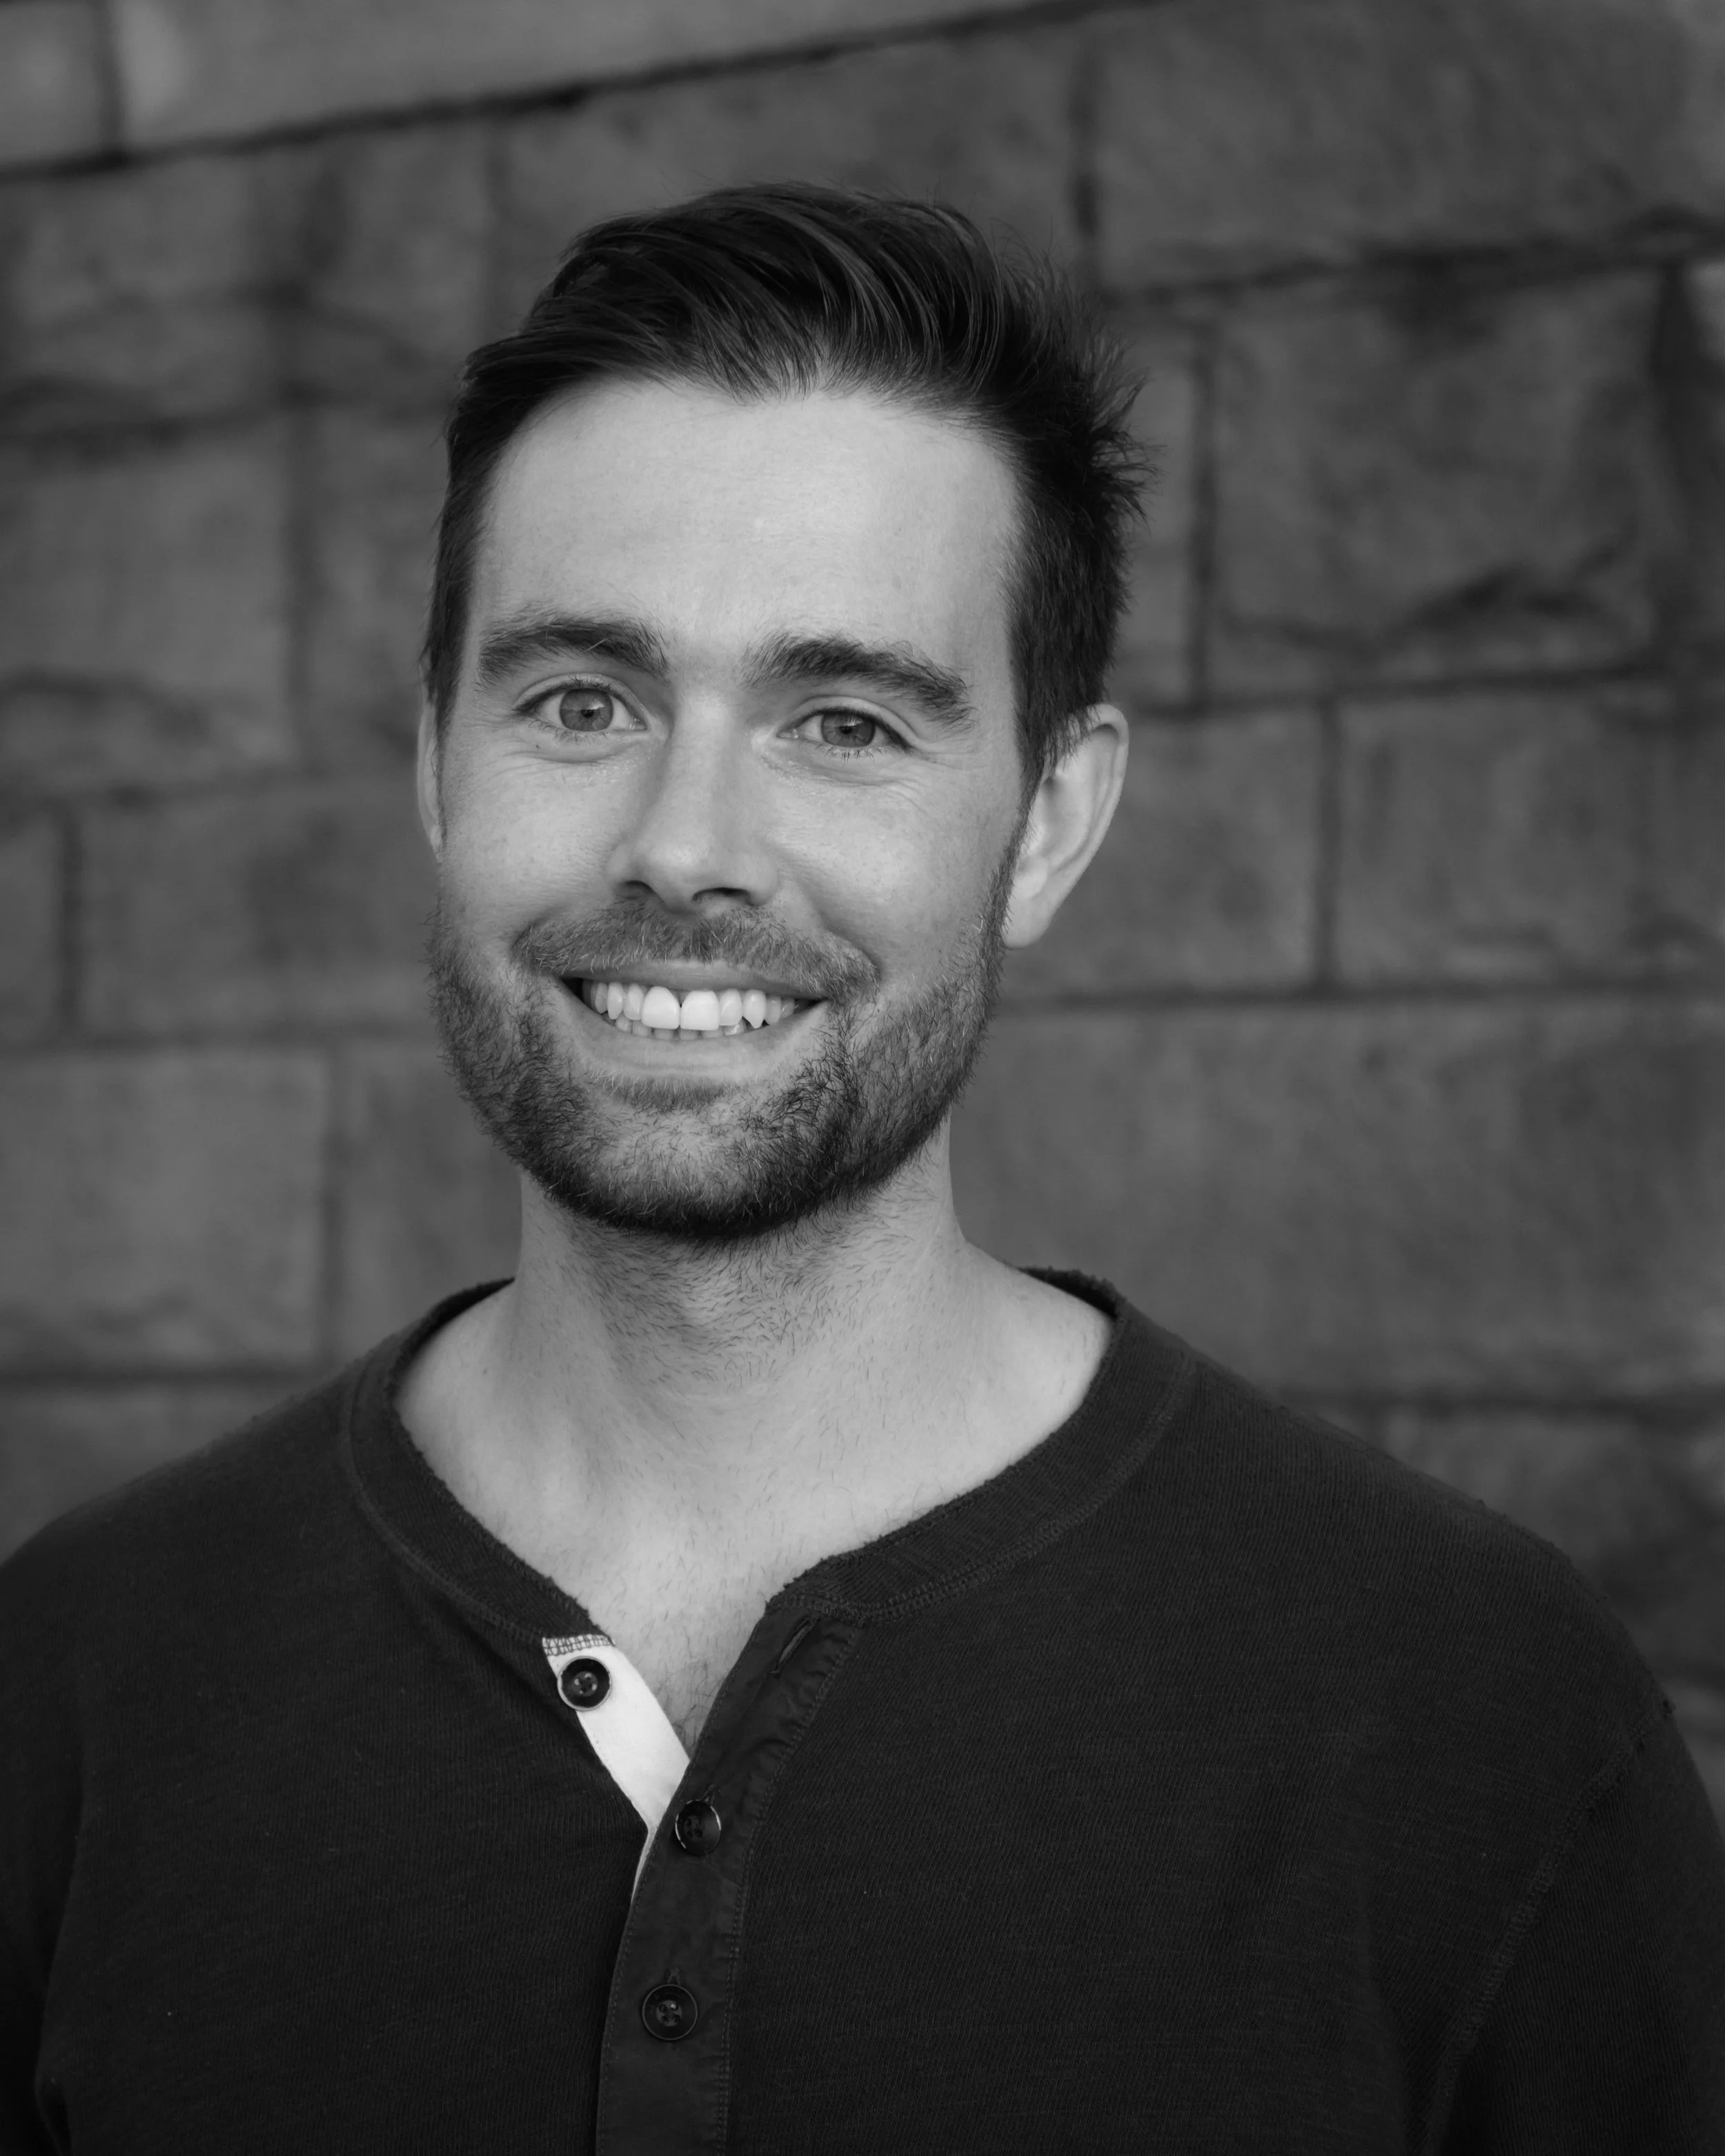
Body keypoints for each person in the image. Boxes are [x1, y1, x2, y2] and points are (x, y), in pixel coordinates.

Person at [1, 184, 1721, 2155]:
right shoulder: (77, 1681)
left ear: (1050, 824)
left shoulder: (1475, 1721)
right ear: (433, 763)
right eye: (582, 701)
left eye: (843, 720)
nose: (684, 844)